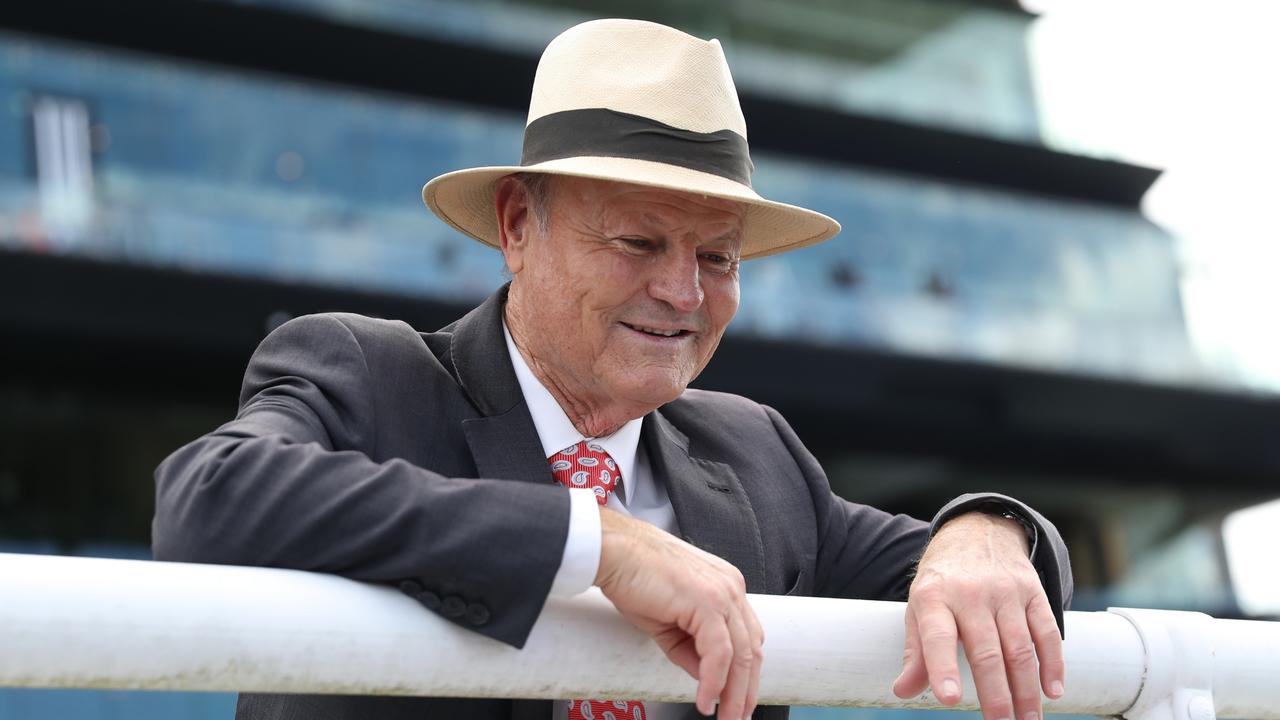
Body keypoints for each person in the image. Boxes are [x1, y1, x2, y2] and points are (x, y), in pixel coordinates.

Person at [153, 18, 1072, 720]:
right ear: (518, 227)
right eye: (638, 241)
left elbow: (949, 563)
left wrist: (986, 535)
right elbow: (205, 499)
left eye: (719, 259)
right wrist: (594, 543)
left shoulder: (758, 453)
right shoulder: (366, 373)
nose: (683, 292)